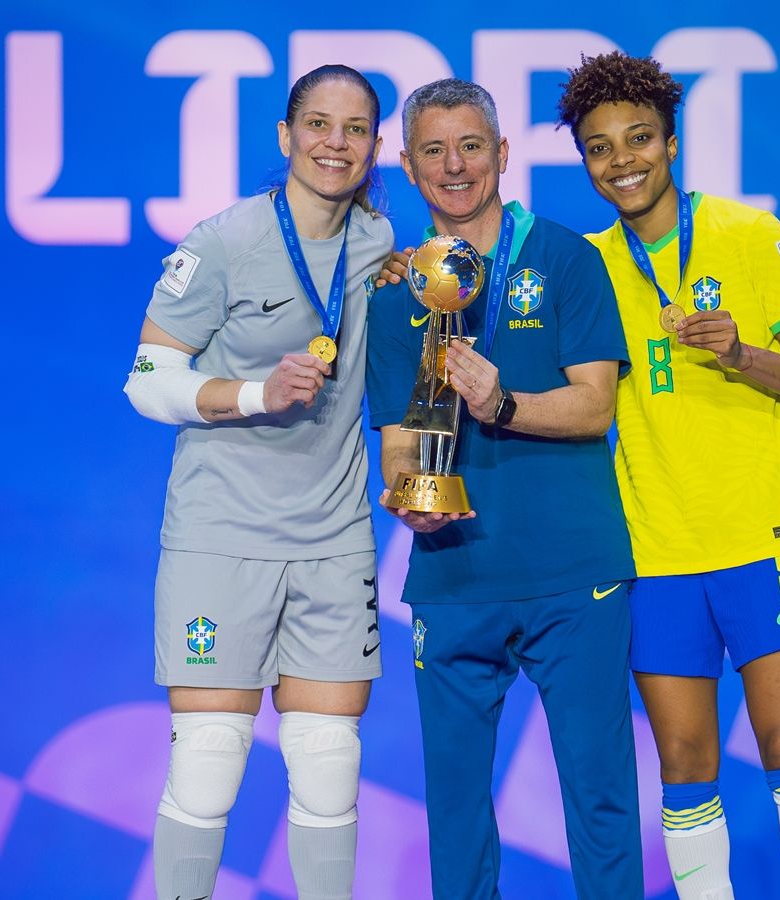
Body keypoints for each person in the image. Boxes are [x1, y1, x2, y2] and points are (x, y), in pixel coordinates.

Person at [556, 52, 780, 900]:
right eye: (600, 148)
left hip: (768, 539)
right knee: (685, 766)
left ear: (672, 143)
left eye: (639, 139)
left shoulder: (752, 234)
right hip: (654, 550)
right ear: (585, 162)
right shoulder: (587, 265)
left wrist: (740, 353)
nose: (623, 162)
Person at [366, 78, 643, 899]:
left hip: (573, 572)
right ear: (409, 166)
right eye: (434, 151)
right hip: (455, 576)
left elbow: (595, 407)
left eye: (472, 146)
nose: (455, 166)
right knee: (454, 813)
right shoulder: (394, 294)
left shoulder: (564, 257)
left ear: (503, 154)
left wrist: (502, 403)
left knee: (598, 800)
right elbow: (397, 445)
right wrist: (409, 493)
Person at [122, 64, 394, 900]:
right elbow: (144, 379)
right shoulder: (221, 241)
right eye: (318, 124)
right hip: (220, 537)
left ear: (374, 147)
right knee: (207, 764)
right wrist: (252, 395)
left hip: (332, 538)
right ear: (285, 137)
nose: (334, 144)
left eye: (353, 130)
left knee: (328, 762)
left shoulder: (382, 248)